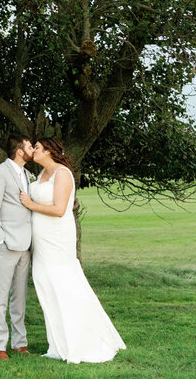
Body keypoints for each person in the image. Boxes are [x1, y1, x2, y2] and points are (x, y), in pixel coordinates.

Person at [19, 137, 125, 363]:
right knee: (46, 287)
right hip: (41, 244)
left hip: (57, 241)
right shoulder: (41, 175)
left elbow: (59, 209)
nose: (33, 151)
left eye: (37, 148)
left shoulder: (62, 174)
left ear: (49, 151)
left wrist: (30, 204)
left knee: (64, 286)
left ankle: (82, 342)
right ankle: (58, 343)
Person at [0, 134, 34, 359]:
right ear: (20, 151)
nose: (33, 149)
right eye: (30, 146)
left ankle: (19, 342)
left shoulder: (27, 174)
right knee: (1, 296)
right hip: (6, 244)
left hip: (25, 244)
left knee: (20, 296)